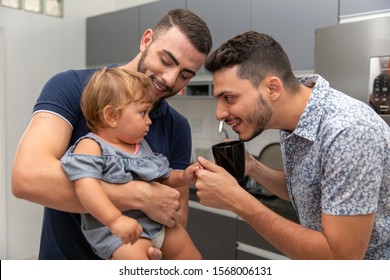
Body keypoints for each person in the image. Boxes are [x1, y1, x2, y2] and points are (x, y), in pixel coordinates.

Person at [11, 8, 212, 260]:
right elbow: (26, 178)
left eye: (185, 75)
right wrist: (141, 196)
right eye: (166, 61)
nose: (171, 80)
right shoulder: (71, 87)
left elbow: (176, 214)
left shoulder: (177, 126)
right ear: (146, 40)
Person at [194, 31, 390, 259]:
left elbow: (341, 259)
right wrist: (253, 167)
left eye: (229, 98)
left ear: (273, 89)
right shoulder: (293, 120)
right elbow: (306, 191)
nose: (219, 113)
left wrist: (238, 201)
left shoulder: (348, 132)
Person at [61, 68, 201, 260]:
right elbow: (87, 189)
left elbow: (162, 176)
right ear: (111, 116)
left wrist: (184, 177)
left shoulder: (140, 146)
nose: (149, 121)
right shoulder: (90, 146)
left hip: (157, 225)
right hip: (119, 234)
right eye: (142, 113)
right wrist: (115, 220)